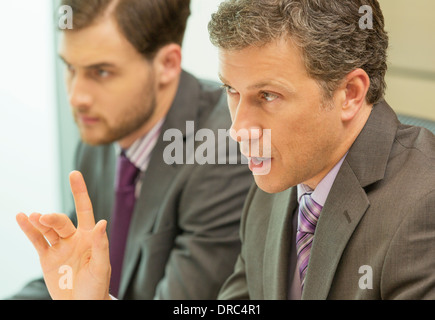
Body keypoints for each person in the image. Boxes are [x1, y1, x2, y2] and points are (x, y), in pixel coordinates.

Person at [17, 0, 435, 300]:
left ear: (350, 93)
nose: (237, 131)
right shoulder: (275, 187)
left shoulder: (424, 206)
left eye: (268, 96)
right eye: (232, 91)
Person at [12, 0, 253, 300]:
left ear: (167, 64)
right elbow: (73, 276)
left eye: (100, 72)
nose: (76, 97)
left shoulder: (223, 152)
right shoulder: (101, 133)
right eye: (70, 67)